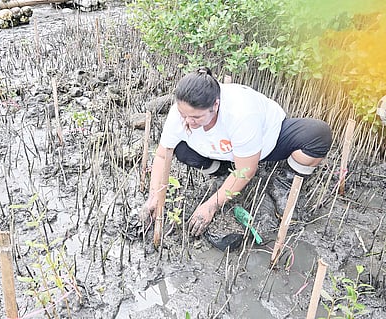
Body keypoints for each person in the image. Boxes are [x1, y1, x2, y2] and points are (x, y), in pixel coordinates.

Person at [141, 67, 332, 237]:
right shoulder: (180, 113)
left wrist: (211, 205)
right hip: (220, 153)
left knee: (317, 135)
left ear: (215, 106)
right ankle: (222, 174)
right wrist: (154, 196)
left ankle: (285, 181)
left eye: (196, 117)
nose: (188, 122)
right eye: (184, 115)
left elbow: (247, 169)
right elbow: (161, 155)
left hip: (267, 145)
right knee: (180, 150)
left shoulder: (241, 113)